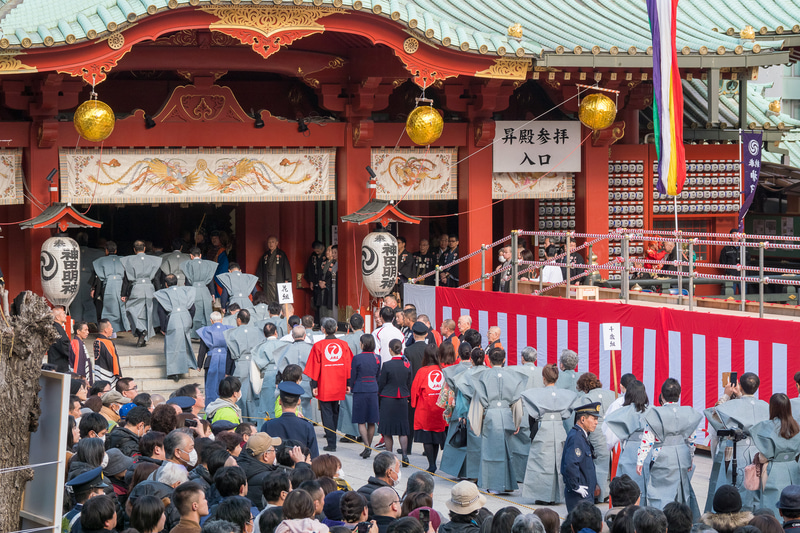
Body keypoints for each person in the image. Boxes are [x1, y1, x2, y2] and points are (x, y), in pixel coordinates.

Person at [636, 378, 702, 518]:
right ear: (679, 395)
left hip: (662, 455)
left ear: (662, 396)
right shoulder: (688, 412)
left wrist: (640, 460)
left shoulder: (655, 414)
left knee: (660, 493)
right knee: (682, 492)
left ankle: (659, 522)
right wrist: (690, 458)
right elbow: (691, 439)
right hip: (682, 454)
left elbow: (648, 438)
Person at [704, 371, 769, 512]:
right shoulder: (765, 406)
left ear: (740, 385)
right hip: (758, 450)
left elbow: (714, 414)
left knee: (729, 483)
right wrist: (740, 396)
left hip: (735, 449)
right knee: (755, 485)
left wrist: (726, 395)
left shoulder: (730, 407)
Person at [467, 348, 524, 494]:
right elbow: (517, 401)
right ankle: (507, 484)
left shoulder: (482, 376)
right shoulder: (513, 376)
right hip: (506, 414)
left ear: (489, 360)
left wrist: (475, 422)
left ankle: (491, 484)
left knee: (489, 451)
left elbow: (478, 401)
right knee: (506, 451)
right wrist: (517, 421)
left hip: (490, 415)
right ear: (504, 360)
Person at [520, 364, 577, 504]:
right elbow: (568, 414)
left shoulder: (535, 393)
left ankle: (543, 495)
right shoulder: (566, 394)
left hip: (543, 427)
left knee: (541, 462)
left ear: (543, 378)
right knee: (558, 462)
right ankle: (558, 495)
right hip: (558, 427)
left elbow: (532, 414)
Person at [305, 317, 354, 452]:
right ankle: (333, 435)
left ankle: (331, 442)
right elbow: (349, 365)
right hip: (339, 382)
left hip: (325, 383)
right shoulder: (344, 345)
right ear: (336, 329)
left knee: (326, 412)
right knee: (335, 409)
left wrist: (314, 385)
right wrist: (348, 382)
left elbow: (314, 368)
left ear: (323, 330)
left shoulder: (318, 346)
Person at [751, 394, 800, 511]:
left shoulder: (765, 426)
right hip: (794, 467)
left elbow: (763, 457)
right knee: (793, 505)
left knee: (772, 507)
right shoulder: (796, 426)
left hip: (773, 469)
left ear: (772, 407)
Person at [604, 381, 650, 501]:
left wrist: (608, 446)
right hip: (649, 448)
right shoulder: (652, 410)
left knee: (629, 483)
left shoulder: (623, 411)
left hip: (630, 449)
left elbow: (611, 432)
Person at [576, 372, 616, 501]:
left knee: (598, 461)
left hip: (595, 429)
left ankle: (600, 494)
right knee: (611, 461)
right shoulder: (612, 394)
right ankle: (610, 492)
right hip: (612, 429)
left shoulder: (586, 398)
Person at [411, 343, 448, 474]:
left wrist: (413, 404)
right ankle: (433, 463)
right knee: (436, 436)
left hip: (425, 409)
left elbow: (415, 390)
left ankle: (431, 464)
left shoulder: (422, 371)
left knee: (427, 437)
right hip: (440, 408)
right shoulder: (443, 370)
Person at [225, 309, 266, 420]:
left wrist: (227, 372)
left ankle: (242, 417)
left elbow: (230, 355)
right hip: (255, 363)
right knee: (255, 390)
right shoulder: (258, 331)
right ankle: (256, 417)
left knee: (239, 391)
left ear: (238, 320)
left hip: (240, 364)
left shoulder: (232, 333)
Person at [155, 274, 197, 381]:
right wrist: (189, 320)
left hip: (173, 319)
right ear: (177, 282)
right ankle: (188, 364)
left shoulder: (164, 293)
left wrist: (163, 327)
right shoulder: (185, 291)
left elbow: (161, 311)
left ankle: (174, 372)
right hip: (185, 317)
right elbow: (192, 308)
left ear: (166, 284)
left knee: (172, 346)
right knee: (185, 343)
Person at [121, 240, 163, 347]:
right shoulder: (154, 260)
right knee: (146, 313)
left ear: (134, 250)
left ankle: (141, 331)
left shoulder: (129, 260)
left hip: (137, 288)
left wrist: (123, 294)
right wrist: (159, 292)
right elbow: (157, 279)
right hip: (149, 288)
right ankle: (143, 337)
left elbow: (126, 279)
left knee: (130, 310)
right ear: (144, 248)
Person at [261, 382, 319, 458]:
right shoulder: (307, 426)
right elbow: (314, 456)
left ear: (280, 402)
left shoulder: (268, 425)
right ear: (298, 402)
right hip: (300, 468)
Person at [378, 339, 412, 465]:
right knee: (403, 430)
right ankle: (404, 455)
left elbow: (382, 383)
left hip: (388, 398)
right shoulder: (407, 364)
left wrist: (380, 394)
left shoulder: (387, 365)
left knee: (387, 430)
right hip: (402, 397)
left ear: (390, 349)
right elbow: (409, 381)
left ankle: (390, 456)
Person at [561, 402, 600, 511]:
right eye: (594, 419)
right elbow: (570, 464)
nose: (596, 422)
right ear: (583, 419)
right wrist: (575, 486)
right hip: (579, 495)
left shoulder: (582, 436)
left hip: (585, 492)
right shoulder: (577, 437)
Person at [350, 334, 381, 455]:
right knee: (372, 420)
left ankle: (366, 446)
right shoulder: (377, 357)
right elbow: (378, 374)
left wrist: (352, 387)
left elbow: (353, 376)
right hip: (373, 388)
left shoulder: (357, 358)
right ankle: (369, 445)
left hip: (360, 388)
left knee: (361, 420)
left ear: (363, 344)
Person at [276, 326, 315, 418]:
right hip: (307, 381)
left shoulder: (285, 349)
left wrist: (277, 381)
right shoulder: (312, 348)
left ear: (292, 336)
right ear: (305, 336)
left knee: (291, 406)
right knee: (306, 406)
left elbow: (281, 368)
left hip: (290, 382)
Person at [91, 241, 130, 333]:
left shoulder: (100, 261)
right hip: (121, 285)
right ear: (116, 251)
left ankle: (110, 331)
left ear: (106, 251)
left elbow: (98, 277)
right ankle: (119, 329)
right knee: (121, 309)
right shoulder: (123, 259)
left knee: (108, 309)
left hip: (107, 286)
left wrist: (94, 289)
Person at [197, 312, 235, 405]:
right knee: (225, 384)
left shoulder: (206, 331)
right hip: (226, 360)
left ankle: (211, 406)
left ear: (211, 320)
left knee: (210, 386)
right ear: (221, 320)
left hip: (210, 360)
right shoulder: (229, 329)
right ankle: (225, 404)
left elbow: (202, 350)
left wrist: (199, 365)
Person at [339, 314, 366, 440]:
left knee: (349, 402)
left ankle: (351, 432)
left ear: (350, 326)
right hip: (367, 374)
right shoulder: (368, 337)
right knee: (364, 403)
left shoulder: (346, 339)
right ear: (363, 324)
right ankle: (363, 432)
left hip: (351, 373)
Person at [237, 433, 282, 510]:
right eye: (274, 450)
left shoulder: (236, 469)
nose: (275, 454)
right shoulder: (270, 478)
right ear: (266, 456)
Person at [182, 247, 218, 337]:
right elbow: (210, 280)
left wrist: (187, 295)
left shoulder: (189, 264)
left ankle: (195, 334)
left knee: (196, 313)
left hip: (194, 290)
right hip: (205, 291)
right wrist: (212, 294)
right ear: (200, 255)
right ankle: (208, 333)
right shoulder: (207, 264)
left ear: (191, 256)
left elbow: (188, 281)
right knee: (207, 312)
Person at [63, 466, 109, 533]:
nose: (104, 494)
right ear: (93, 496)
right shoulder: (88, 520)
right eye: (102, 491)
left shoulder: (66, 516)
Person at [254, 236, 291, 305]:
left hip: (278, 280)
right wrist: (261, 279)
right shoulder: (265, 255)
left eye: (273, 242)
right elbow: (261, 267)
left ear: (277, 243)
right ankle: (270, 313)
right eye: (269, 242)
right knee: (268, 299)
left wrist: (287, 279)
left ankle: (279, 314)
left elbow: (286, 266)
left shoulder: (281, 254)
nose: (271, 244)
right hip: (268, 281)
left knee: (279, 298)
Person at [93, 319, 122, 387]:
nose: (112, 329)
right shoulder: (107, 343)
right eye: (111, 327)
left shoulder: (96, 341)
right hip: (108, 377)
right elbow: (112, 360)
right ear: (105, 330)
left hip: (98, 375)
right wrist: (118, 375)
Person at [304, 241, 326, 325]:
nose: (316, 253)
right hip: (315, 282)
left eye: (318, 251)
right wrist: (311, 281)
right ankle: (317, 322)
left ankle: (322, 322)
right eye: (315, 251)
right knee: (316, 303)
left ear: (322, 248)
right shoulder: (313, 256)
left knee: (323, 303)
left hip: (324, 284)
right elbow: (309, 269)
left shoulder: (325, 257)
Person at [47, 305, 71, 373]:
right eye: (63, 313)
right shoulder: (57, 330)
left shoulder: (55, 328)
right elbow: (64, 347)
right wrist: (74, 354)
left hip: (54, 363)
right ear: (57, 317)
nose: (65, 315)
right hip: (59, 367)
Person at [319, 245, 338, 320]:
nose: (328, 252)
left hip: (331, 287)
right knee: (322, 308)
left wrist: (326, 283)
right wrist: (319, 281)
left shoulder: (335, 263)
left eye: (333, 252)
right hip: (323, 288)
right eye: (328, 251)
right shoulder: (323, 263)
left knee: (331, 307)